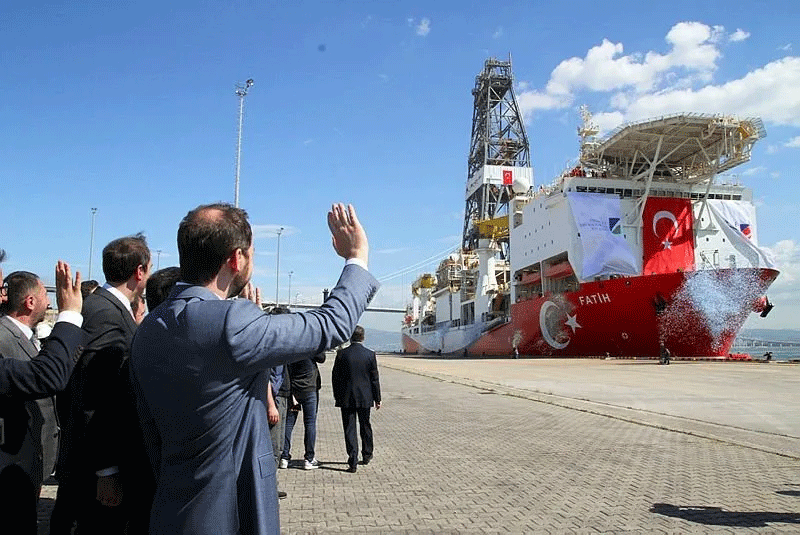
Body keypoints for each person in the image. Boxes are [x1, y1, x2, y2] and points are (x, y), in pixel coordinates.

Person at [129, 202, 378, 535]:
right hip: (227, 513)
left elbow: (150, 432)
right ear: (236, 258)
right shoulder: (230, 322)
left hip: (169, 510)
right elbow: (331, 323)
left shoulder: (148, 329)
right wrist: (356, 257)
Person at [51, 234, 151, 535]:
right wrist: (108, 470)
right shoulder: (108, 315)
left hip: (85, 457)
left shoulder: (95, 305)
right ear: (139, 271)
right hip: (98, 468)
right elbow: (95, 396)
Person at [0, 259, 84, 535]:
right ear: (30, 301)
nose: (3, 294)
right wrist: (70, 314)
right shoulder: (3, 336)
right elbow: (45, 376)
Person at [331, 326, 381, 473]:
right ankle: (367, 454)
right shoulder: (370, 355)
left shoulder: (341, 354)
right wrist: (377, 398)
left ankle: (352, 460)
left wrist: (337, 396)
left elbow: (335, 377)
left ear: (350, 337)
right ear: (363, 337)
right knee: (365, 425)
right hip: (365, 397)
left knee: (349, 428)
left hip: (346, 397)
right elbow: (374, 379)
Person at [280, 351, 326, 470]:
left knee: (289, 423)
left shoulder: (290, 347)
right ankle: (309, 458)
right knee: (310, 423)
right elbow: (321, 358)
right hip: (309, 388)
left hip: (293, 389)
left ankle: (284, 457)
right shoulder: (308, 346)